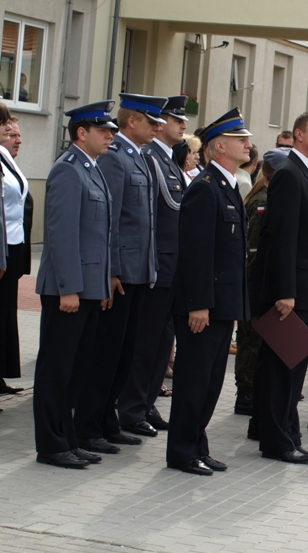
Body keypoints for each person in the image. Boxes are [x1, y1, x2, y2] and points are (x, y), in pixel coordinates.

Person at [72, 93, 167, 455]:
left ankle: (106, 420)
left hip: (139, 271)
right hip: (121, 274)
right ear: (133, 121)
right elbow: (108, 221)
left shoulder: (139, 156)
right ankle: (89, 425)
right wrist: (111, 270)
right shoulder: (116, 158)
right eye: (151, 121)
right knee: (107, 353)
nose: (157, 127)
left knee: (125, 353)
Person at [33, 101, 117, 468]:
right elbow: (61, 234)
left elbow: (98, 236)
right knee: (57, 370)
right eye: (103, 130)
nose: (110, 136)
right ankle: (51, 444)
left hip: (88, 289)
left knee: (76, 370)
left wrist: (100, 286)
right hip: (67, 290)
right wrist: (69, 287)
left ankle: (66, 438)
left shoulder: (92, 169)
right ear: (81, 133)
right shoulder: (68, 170)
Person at [168, 108, 251, 475]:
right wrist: (198, 304)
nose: (247, 144)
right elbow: (195, 253)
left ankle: (196, 445)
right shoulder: (204, 188)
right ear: (219, 147)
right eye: (239, 139)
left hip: (222, 303)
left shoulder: (226, 185)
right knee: (193, 381)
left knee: (211, 382)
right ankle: (181, 451)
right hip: (204, 305)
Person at [252, 111, 308, 464]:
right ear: (299, 135)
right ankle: (275, 441)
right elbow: (281, 238)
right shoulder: (289, 174)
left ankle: (290, 436)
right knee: (281, 369)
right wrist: (285, 291)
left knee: (295, 368)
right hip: (291, 292)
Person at [115, 96, 188, 436]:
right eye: (174, 119)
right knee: (145, 343)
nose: (180, 125)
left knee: (161, 342)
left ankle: (145, 403)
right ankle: (132, 407)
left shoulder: (166, 159)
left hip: (170, 266)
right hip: (155, 264)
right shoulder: (149, 158)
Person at [234, 147, 290, 418]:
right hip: (254, 280)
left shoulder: (268, 196)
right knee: (251, 339)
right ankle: (246, 393)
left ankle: (255, 390)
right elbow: (255, 250)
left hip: (257, 280)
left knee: (256, 338)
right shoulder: (263, 201)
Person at [0, 108, 31, 396]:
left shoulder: (7, 159)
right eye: (7, 128)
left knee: (5, 313)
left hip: (12, 247)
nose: (14, 135)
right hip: (2, 247)